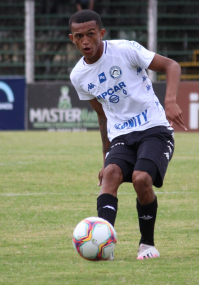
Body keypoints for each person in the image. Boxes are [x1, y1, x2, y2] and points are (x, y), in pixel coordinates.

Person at [69, 9, 187, 260]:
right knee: (110, 175)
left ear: (101, 33)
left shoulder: (125, 50)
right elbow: (103, 116)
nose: (86, 41)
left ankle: (147, 244)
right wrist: (105, 158)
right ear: (73, 39)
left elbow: (171, 65)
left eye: (91, 34)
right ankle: (104, 245)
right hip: (121, 135)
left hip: (154, 128)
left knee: (141, 178)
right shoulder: (78, 76)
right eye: (79, 36)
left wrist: (170, 100)